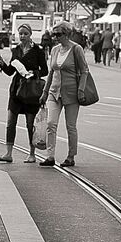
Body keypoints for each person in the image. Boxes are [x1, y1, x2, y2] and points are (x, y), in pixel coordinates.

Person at [0, 23, 48, 163]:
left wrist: (34, 72)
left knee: (30, 123)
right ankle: (8, 153)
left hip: (31, 90)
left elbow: (45, 71)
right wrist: (2, 64)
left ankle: (32, 153)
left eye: (25, 33)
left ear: (30, 34)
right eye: (21, 34)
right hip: (16, 89)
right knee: (10, 121)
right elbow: (11, 71)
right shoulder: (16, 50)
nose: (23, 36)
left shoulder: (37, 50)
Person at [39, 24, 89, 167]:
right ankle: (50, 156)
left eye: (58, 34)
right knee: (50, 123)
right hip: (54, 92)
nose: (55, 37)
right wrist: (45, 92)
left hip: (72, 93)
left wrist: (81, 90)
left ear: (66, 34)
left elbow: (84, 71)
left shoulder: (76, 49)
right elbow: (51, 72)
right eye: (54, 34)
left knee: (70, 126)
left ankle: (71, 156)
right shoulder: (55, 50)